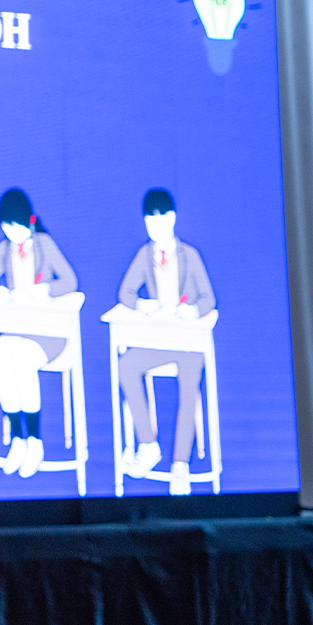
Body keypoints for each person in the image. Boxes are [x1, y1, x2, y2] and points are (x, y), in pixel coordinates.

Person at [115, 188, 217, 495]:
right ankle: (148, 444)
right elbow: (125, 293)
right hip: (158, 340)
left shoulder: (189, 255)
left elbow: (209, 299)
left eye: (162, 220)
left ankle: (180, 464)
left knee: (188, 384)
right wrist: (143, 305)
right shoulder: (144, 255)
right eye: (150, 221)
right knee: (126, 364)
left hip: (188, 343)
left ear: (173, 219)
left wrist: (192, 310)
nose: (156, 227)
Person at [0, 186, 79, 477]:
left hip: (49, 333)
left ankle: (35, 441)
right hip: (18, 328)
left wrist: (45, 289)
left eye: (16, 227)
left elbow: (70, 281)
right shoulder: (5, 248)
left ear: (29, 222)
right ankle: (18, 440)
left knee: (21, 359)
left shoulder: (44, 244)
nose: (12, 234)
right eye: (6, 228)